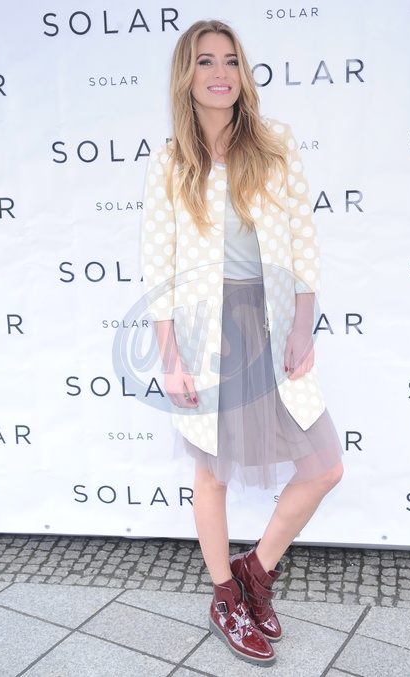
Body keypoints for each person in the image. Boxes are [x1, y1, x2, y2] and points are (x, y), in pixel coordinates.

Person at [141, 19, 344, 667]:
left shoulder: (273, 144)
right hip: (209, 332)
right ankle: (225, 597)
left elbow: (304, 240)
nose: (220, 73)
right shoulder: (171, 162)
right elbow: (159, 270)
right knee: (211, 472)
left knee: (325, 466)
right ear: (187, 75)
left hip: (272, 320)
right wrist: (171, 360)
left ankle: (255, 571)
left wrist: (303, 324)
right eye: (205, 61)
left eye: (230, 60)